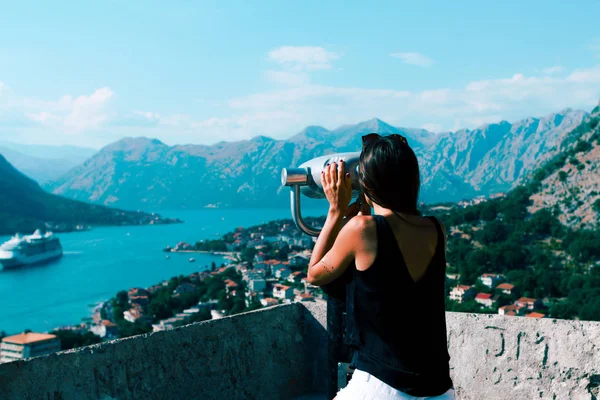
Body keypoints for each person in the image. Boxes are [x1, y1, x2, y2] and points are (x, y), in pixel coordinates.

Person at [306, 133, 455, 399]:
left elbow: (315, 273)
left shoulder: (362, 230)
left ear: (368, 184)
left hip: (383, 386)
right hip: (438, 390)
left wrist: (335, 211)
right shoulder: (436, 229)